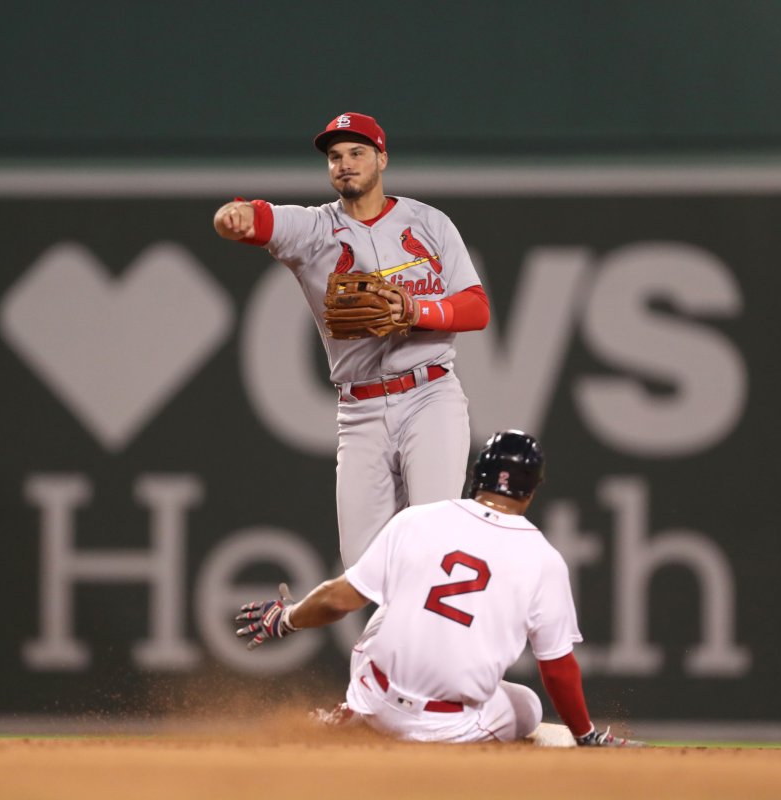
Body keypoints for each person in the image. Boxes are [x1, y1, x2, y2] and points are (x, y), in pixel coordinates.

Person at [235, 431, 642, 747]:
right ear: (532, 490)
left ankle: (352, 714)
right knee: (529, 706)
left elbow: (341, 598)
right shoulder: (544, 558)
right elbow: (556, 667)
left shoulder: (420, 519)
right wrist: (584, 733)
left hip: (373, 696)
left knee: (392, 596)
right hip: (449, 726)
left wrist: (286, 618)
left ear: (477, 475)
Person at [213, 112, 490, 568]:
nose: (345, 163)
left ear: (382, 158)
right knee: (363, 569)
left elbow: (476, 308)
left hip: (430, 396)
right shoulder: (314, 230)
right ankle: (387, 640)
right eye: (335, 156)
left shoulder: (429, 222)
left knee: (434, 542)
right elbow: (256, 220)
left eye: (357, 153)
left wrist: (416, 311)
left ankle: (444, 638)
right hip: (359, 412)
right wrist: (234, 216)